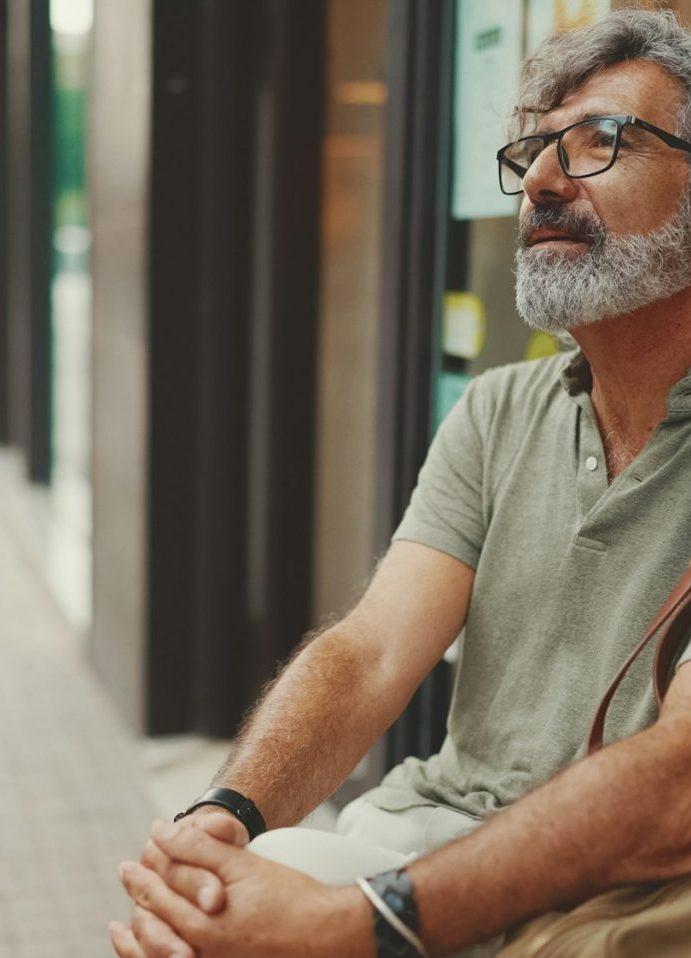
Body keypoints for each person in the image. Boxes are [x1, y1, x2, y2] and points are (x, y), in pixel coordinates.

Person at [110, 8, 691, 958]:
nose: (541, 180)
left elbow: (674, 787)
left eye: (599, 144)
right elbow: (372, 650)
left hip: (620, 890)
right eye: (532, 151)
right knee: (211, 909)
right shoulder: (499, 409)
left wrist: (354, 927)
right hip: (440, 833)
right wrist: (226, 814)